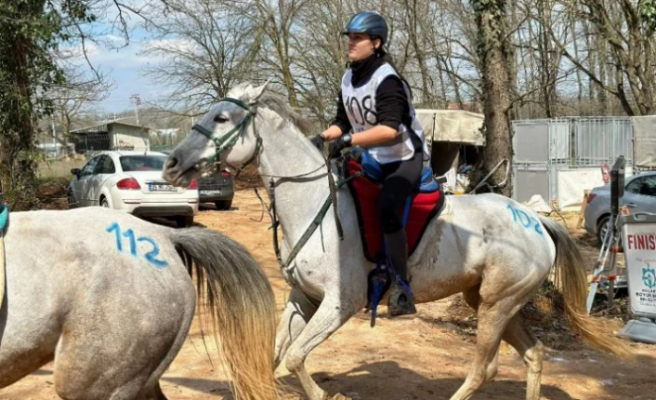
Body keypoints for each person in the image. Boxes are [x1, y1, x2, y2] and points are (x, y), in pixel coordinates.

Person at [310, 11, 430, 316]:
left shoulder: (387, 79)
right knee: (344, 195)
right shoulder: (348, 77)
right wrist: (323, 137)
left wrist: (350, 141)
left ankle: (402, 287)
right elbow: (342, 122)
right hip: (374, 156)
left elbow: (390, 129)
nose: (351, 42)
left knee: (388, 207)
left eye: (358, 38)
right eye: (350, 37)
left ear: (376, 43)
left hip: (404, 157)